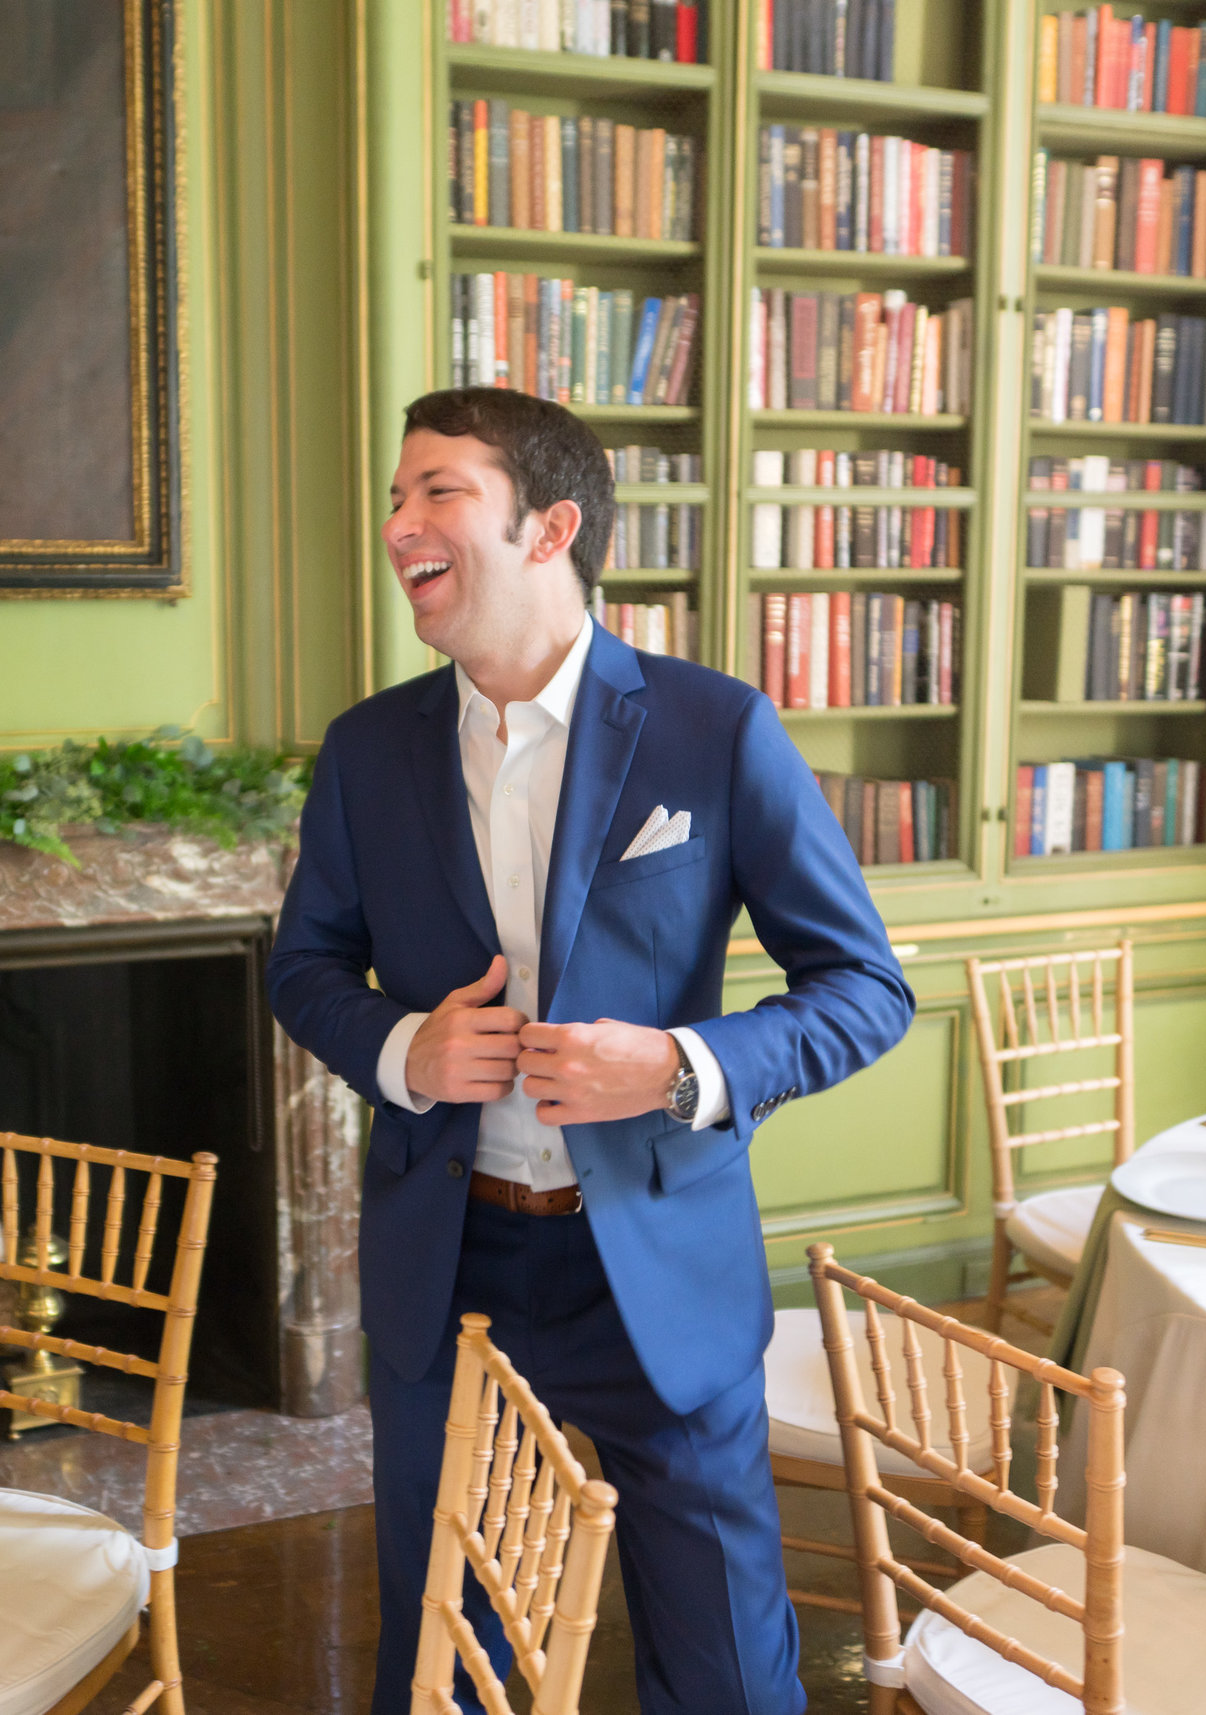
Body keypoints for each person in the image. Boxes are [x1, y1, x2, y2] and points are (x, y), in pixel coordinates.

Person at [267, 387, 914, 1713]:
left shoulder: (714, 728)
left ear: (549, 525)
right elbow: (303, 969)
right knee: (449, 1667)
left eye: (436, 490)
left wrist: (678, 1065)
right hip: (452, 1271)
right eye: (396, 496)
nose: (399, 524)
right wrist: (404, 1048)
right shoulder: (365, 750)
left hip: (657, 1269)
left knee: (731, 1671)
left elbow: (864, 986)